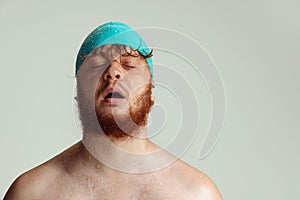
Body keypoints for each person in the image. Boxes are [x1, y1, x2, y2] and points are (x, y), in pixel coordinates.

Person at [4, 22, 222, 200]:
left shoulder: (194, 194)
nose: (113, 72)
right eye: (97, 65)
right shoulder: (31, 193)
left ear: (151, 93)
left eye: (129, 65)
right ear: (78, 94)